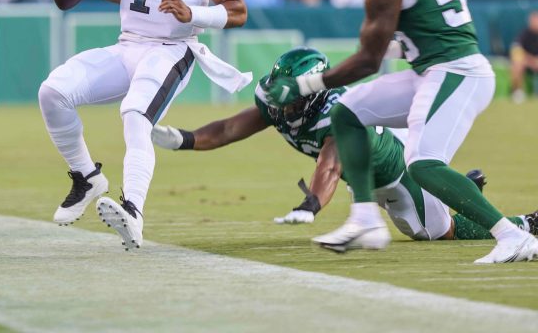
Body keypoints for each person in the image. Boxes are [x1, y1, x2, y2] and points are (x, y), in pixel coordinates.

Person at [264, 0, 538, 263]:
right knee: (347, 112)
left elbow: (367, 62)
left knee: (424, 164)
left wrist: (304, 84)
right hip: (436, 67)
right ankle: (365, 220)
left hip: (455, 71)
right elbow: (419, 30)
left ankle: (512, 235)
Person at [39, 0, 250, 250]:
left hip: (172, 49)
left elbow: (237, 10)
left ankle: (132, 211)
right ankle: (86, 177)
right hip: (128, 45)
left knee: (135, 116)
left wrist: (195, 13)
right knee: (53, 92)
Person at [152, 47, 537, 242]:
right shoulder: (280, 102)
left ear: (313, 96)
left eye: (292, 100)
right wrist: (184, 139)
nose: (282, 109)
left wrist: (310, 205)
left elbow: (330, 165)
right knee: (422, 226)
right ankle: (462, 190)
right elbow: (229, 129)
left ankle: (523, 224)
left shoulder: (331, 113)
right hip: (368, 167)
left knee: (436, 233)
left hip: (393, 165)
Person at [509, 10, 538, 104]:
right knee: (517, 64)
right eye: (533, 20)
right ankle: (517, 92)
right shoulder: (524, 34)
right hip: (527, 61)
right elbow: (516, 49)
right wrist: (530, 60)